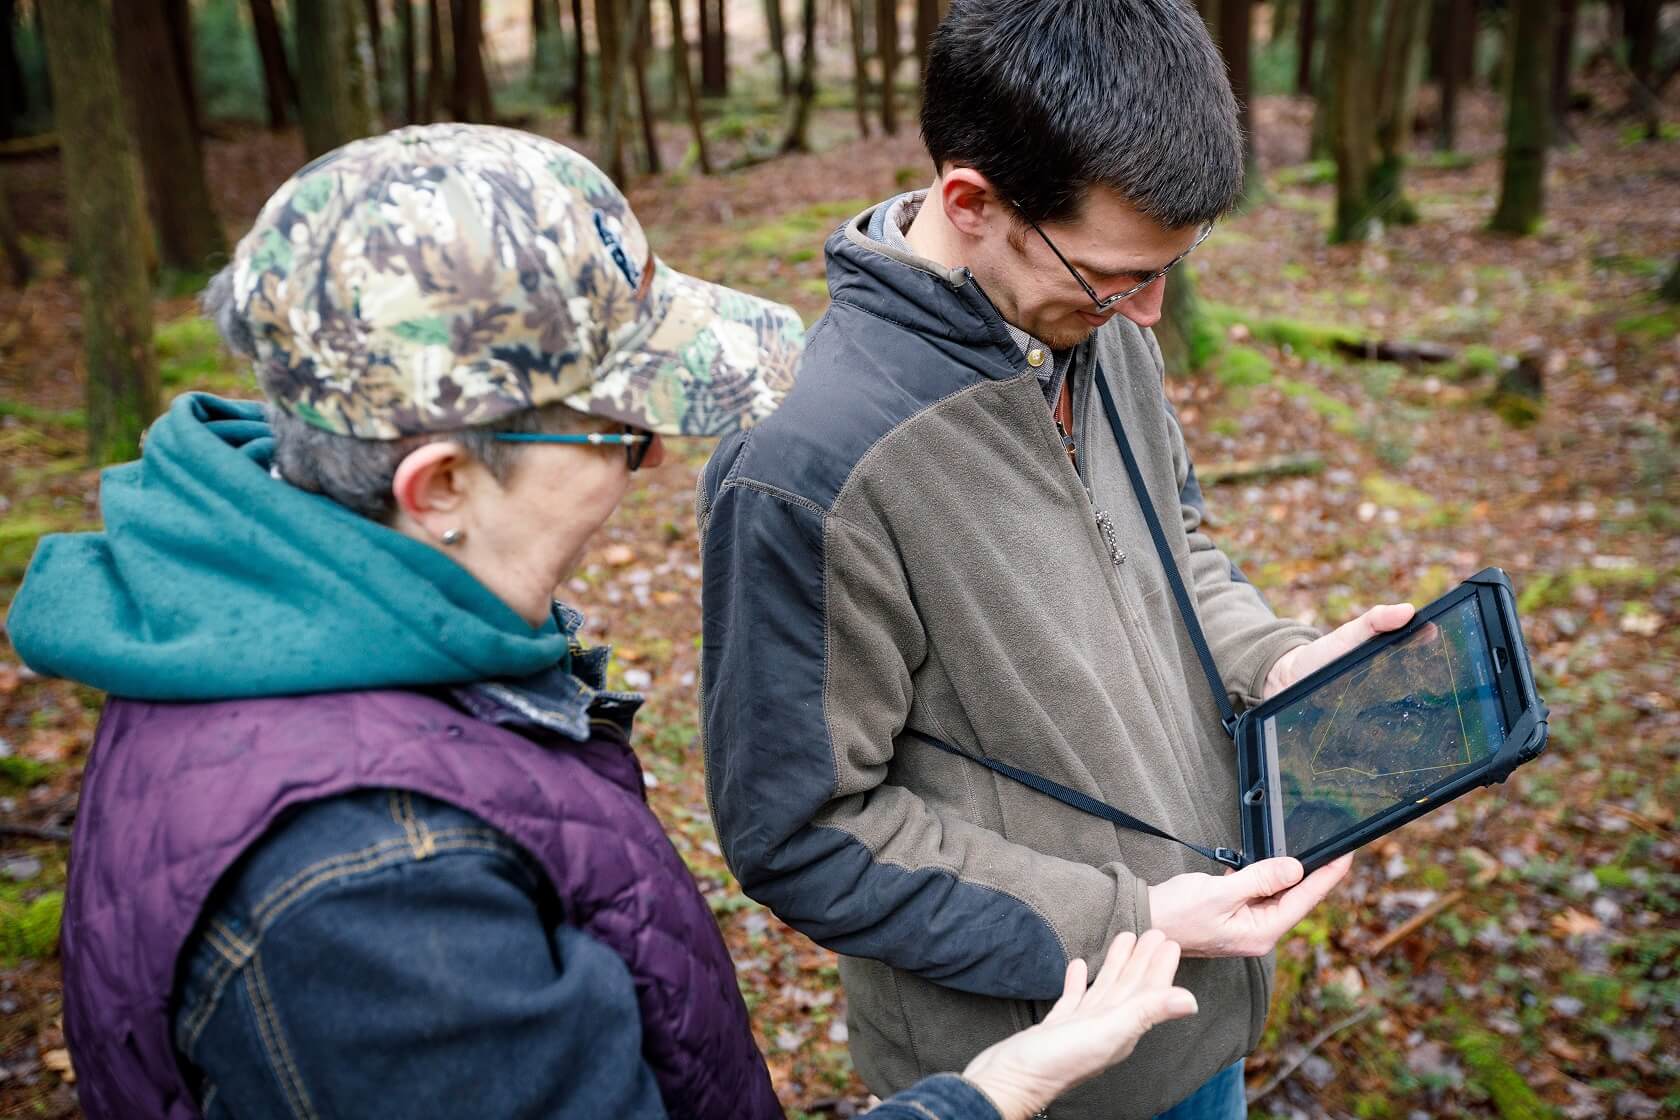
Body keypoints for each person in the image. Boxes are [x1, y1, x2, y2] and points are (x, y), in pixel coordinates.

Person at [8, 125, 1199, 1120]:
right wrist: (984, 1095)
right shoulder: (378, 890)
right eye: (620, 433)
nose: (644, 465)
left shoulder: (278, 642)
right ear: (440, 488)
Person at [695, 3, 1416, 1118]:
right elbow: (803, 832)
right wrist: (1134, 923)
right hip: (1030, 1070)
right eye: (1118, 277)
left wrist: (1278, 662)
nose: (1151, 312)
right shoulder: (807, 470)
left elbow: (1178, 547)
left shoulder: (1091, 327)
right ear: (972, 204)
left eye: (1171, 268)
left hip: (1201, 1016)